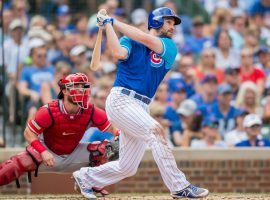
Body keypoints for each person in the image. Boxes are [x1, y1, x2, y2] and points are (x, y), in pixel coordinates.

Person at [73, 7, 209, 199]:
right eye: (168, 22)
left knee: (127, 167)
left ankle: (86, 177)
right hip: (121, 99)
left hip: (141, 106)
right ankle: (179, 186)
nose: (172, 27)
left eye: (173, 23)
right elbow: (117, 53)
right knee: (156, 131)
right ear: (155, 22)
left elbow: (146, 39)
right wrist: (108, 26)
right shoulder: (128, 40)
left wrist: (113, 22)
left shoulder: (170, 47)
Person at [0, 73, 119, 196]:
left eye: (83, 86)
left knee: (107, 149)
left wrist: (119, 135)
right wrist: (42, 151)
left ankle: (89, 183)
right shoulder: (49, 111)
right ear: (65, 91)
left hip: (74, 153)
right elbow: (28, 132)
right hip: (47, 152)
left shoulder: (91, 111)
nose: (80, 90)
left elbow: (112, 127)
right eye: (76, 86)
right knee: (17, 163)